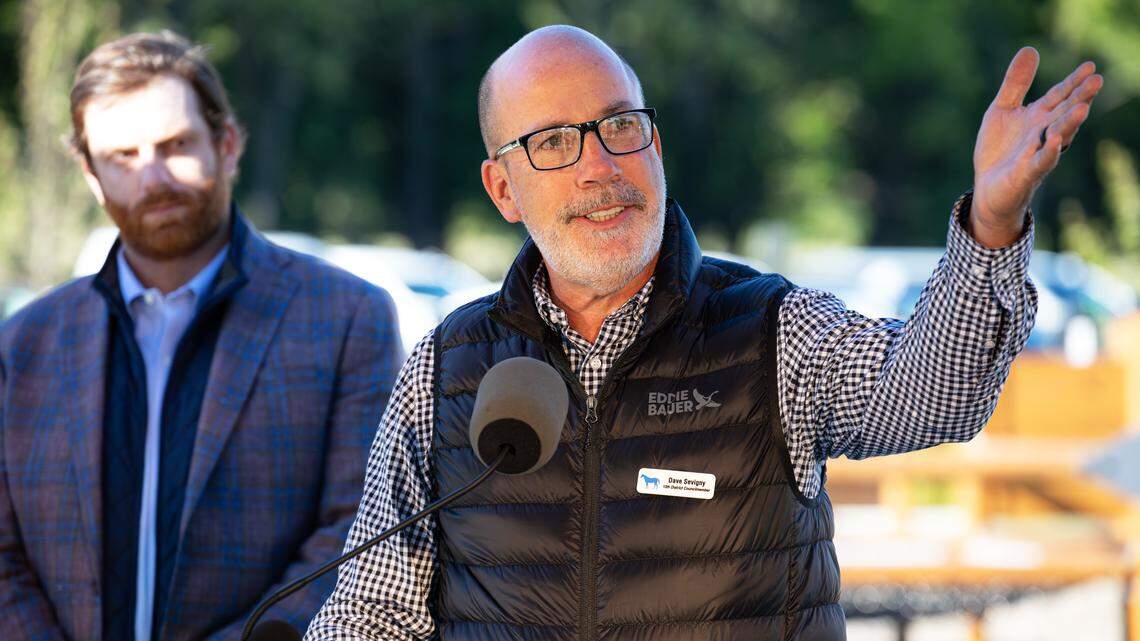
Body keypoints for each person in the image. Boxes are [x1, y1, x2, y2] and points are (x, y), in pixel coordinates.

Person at [307, 25, 1101, 641]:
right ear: (502, 187)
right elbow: (375, 610)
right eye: (552, 142)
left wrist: (991, 227)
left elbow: (933, 396)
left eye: (619, 124)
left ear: (655, 143)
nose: (598, 166)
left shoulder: (770, 329)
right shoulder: (447, 368)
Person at [0, 31, 404, 640]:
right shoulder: (22, 346)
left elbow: (360, 534)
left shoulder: (348, 318)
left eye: (176, 145)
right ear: (89, 174)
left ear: (228, 144)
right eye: (123, 156)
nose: (153, 176)